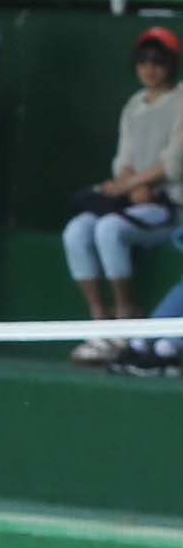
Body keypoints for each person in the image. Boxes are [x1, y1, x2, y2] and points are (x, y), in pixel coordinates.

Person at [63, 26, 183, 364]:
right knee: (77, 230)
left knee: (108, 229)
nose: (150, 68)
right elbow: (123, 161)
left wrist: (133, 186)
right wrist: (130, 184)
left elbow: (173, 163)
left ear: (172, 64)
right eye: (143, 60)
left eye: (158, 61)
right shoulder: (133, 105)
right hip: (133, 201)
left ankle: (126, 319)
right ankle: (99, 321)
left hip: (169, 207)